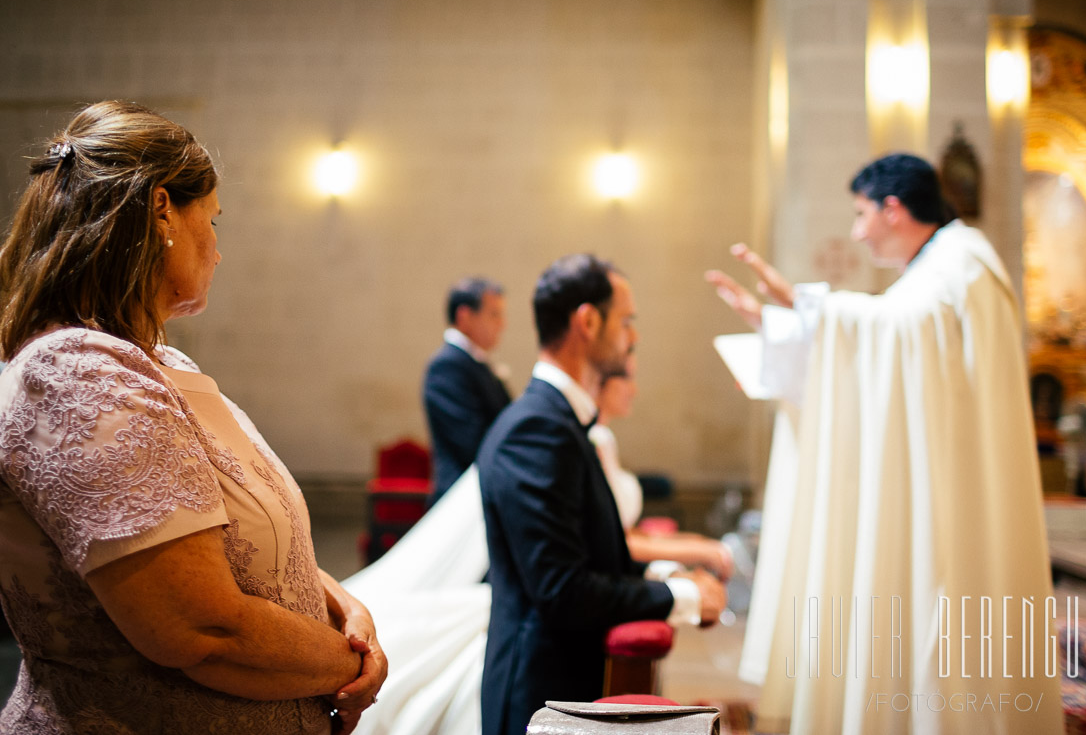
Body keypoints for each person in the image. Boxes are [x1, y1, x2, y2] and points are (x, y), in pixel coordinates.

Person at [0, 101, 387, 734]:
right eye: (212, 218)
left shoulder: (154, 362)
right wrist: (356, 663)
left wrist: (342, 604)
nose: (219, 249)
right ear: (161, 212)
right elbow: (197, 626)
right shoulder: (77, 375)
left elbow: (232, 539)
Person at [706, 154, 1063, 734]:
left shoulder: (964, 261)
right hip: (935, 470)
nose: (856, 231)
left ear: (893, 209)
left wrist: (805, 307)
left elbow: (900, 335)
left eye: (861, 214)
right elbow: (893, 340)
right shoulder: (936, 269)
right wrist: (786, 324)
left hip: (956, 483)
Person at [478, 254, 727, 735]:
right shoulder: (537, 429)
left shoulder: (563, 422)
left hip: (565, 681)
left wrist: (663, 571)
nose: (633, 336)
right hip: (537, 696)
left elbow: (590, 551)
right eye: (627, 321)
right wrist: (681, 597)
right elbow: (562, 591)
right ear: (588, 322)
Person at [591, 355, 734, 580]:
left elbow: (624, 533)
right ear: (602, 383)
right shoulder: (594, 441)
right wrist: (697, 551)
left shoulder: (604, 438)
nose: (634, 390)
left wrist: (692, 542)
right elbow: (613, 543)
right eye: (628, 380)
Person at [423, 277, 511, 506]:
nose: (503, 324)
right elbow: (473, 443)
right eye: (494, 314)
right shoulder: (446, 367)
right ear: (465, 317)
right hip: (462, 498)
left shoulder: (475, 363)